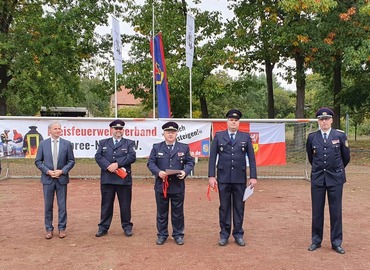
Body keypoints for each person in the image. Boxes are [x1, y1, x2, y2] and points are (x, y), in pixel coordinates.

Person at [208, 109, 257, 247]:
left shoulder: (245, 137)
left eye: (236, 120)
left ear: (239, 122)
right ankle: (224, 234)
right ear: (227, 122)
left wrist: (253, 176)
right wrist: (211, 176)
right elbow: (212, 158)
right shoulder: (219, 136)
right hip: (223, 178)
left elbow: (252, 159)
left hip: (239, 179)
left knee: (239, 207)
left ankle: (238, 234)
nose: (233, 122)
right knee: (224, 207)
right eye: (231, 120)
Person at [306, 107, 350, 254]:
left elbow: (346, 157)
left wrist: (335, 170)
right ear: (318, 121)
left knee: (335, 211)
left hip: (335, 179)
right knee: (317, 211)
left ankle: (336, 242)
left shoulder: (340, 136)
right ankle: (316, 241)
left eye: (326, 119)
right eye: (321, 119)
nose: (324, 122)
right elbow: (311, 157)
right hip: (318, 178)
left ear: (331, 120)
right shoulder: (312, 137)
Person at [147, 121, 195, 245]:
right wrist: (158, 172)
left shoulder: (184, 147)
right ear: (164, 133)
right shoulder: (157, 147)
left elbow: (190, 162)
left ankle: (178, 234)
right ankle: (162, 234)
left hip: (177, 185)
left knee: (178, 212)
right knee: (162, 212)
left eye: (173, 132)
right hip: (161, 185)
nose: (170, 134)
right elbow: (151, 163)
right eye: (168, 132)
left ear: (176, 133)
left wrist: (185, 172)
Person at [95, 119, 137, 238]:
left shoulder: (129, 143)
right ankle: (103, 227)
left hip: (123, 180)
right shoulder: (103, 142)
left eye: (120, 129)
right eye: (116, 128)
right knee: (106, 204)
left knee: (125, 204)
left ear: (123, 130)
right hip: (108, 178)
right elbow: (98, 156)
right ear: (111, 130)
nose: (118, 131)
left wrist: (117, 164)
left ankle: (127, 226)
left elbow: (132, 157)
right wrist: (108, 166)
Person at [35, 122, 75, 239]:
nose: (58, 130)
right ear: (50, 131)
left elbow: (71, 161)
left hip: (61, 179)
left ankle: (62, 228)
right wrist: (47, 171)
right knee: (48, 205)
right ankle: (49, 229)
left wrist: (62, 171)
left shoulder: (67, 144)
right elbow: (38, 161)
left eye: (59, 128)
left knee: (62, 205)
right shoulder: (43, 144)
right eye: (55, 129)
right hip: (47, 179)